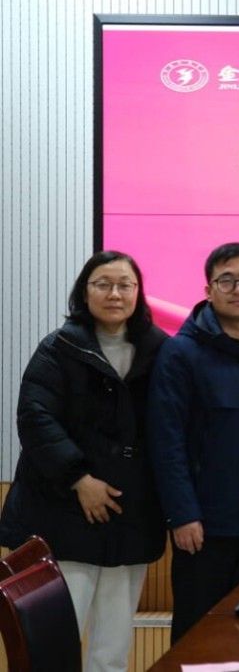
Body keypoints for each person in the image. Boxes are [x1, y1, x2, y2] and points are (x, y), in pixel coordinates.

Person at [0, 251, 167, 672]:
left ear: (138, 293)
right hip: (63, 515)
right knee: (55, 647)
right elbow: (35, 418)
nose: (115, 294)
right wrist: (79, 478)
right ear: (84, 292)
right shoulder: (59, 347)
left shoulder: (160, 350)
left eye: (125, 285)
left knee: (112, 649)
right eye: (103, 284)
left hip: (130, 517)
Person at [147, 242, 239, 642]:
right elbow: (166, 440)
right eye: (225, 280)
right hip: (202, 527)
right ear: (208, 290)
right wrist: (182, 514)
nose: (238, 289)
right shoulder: (181, 353)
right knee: (196, 636)